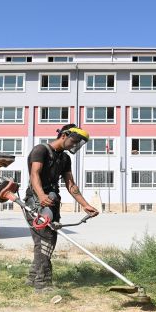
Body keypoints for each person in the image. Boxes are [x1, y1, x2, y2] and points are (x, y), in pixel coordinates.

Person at [25, 124, 99, 292]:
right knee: (44, 240)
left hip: (52, 201)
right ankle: (42, 284)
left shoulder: (65, 159)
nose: (74, 145)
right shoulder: (40, 150)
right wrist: (42, 196)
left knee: (49, 239)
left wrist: (85, 205)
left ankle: (32, 277)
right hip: (36, 201)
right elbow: (34, 174)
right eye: (74, 141)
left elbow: (70, 184)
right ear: (64, 135)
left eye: (77, 143)